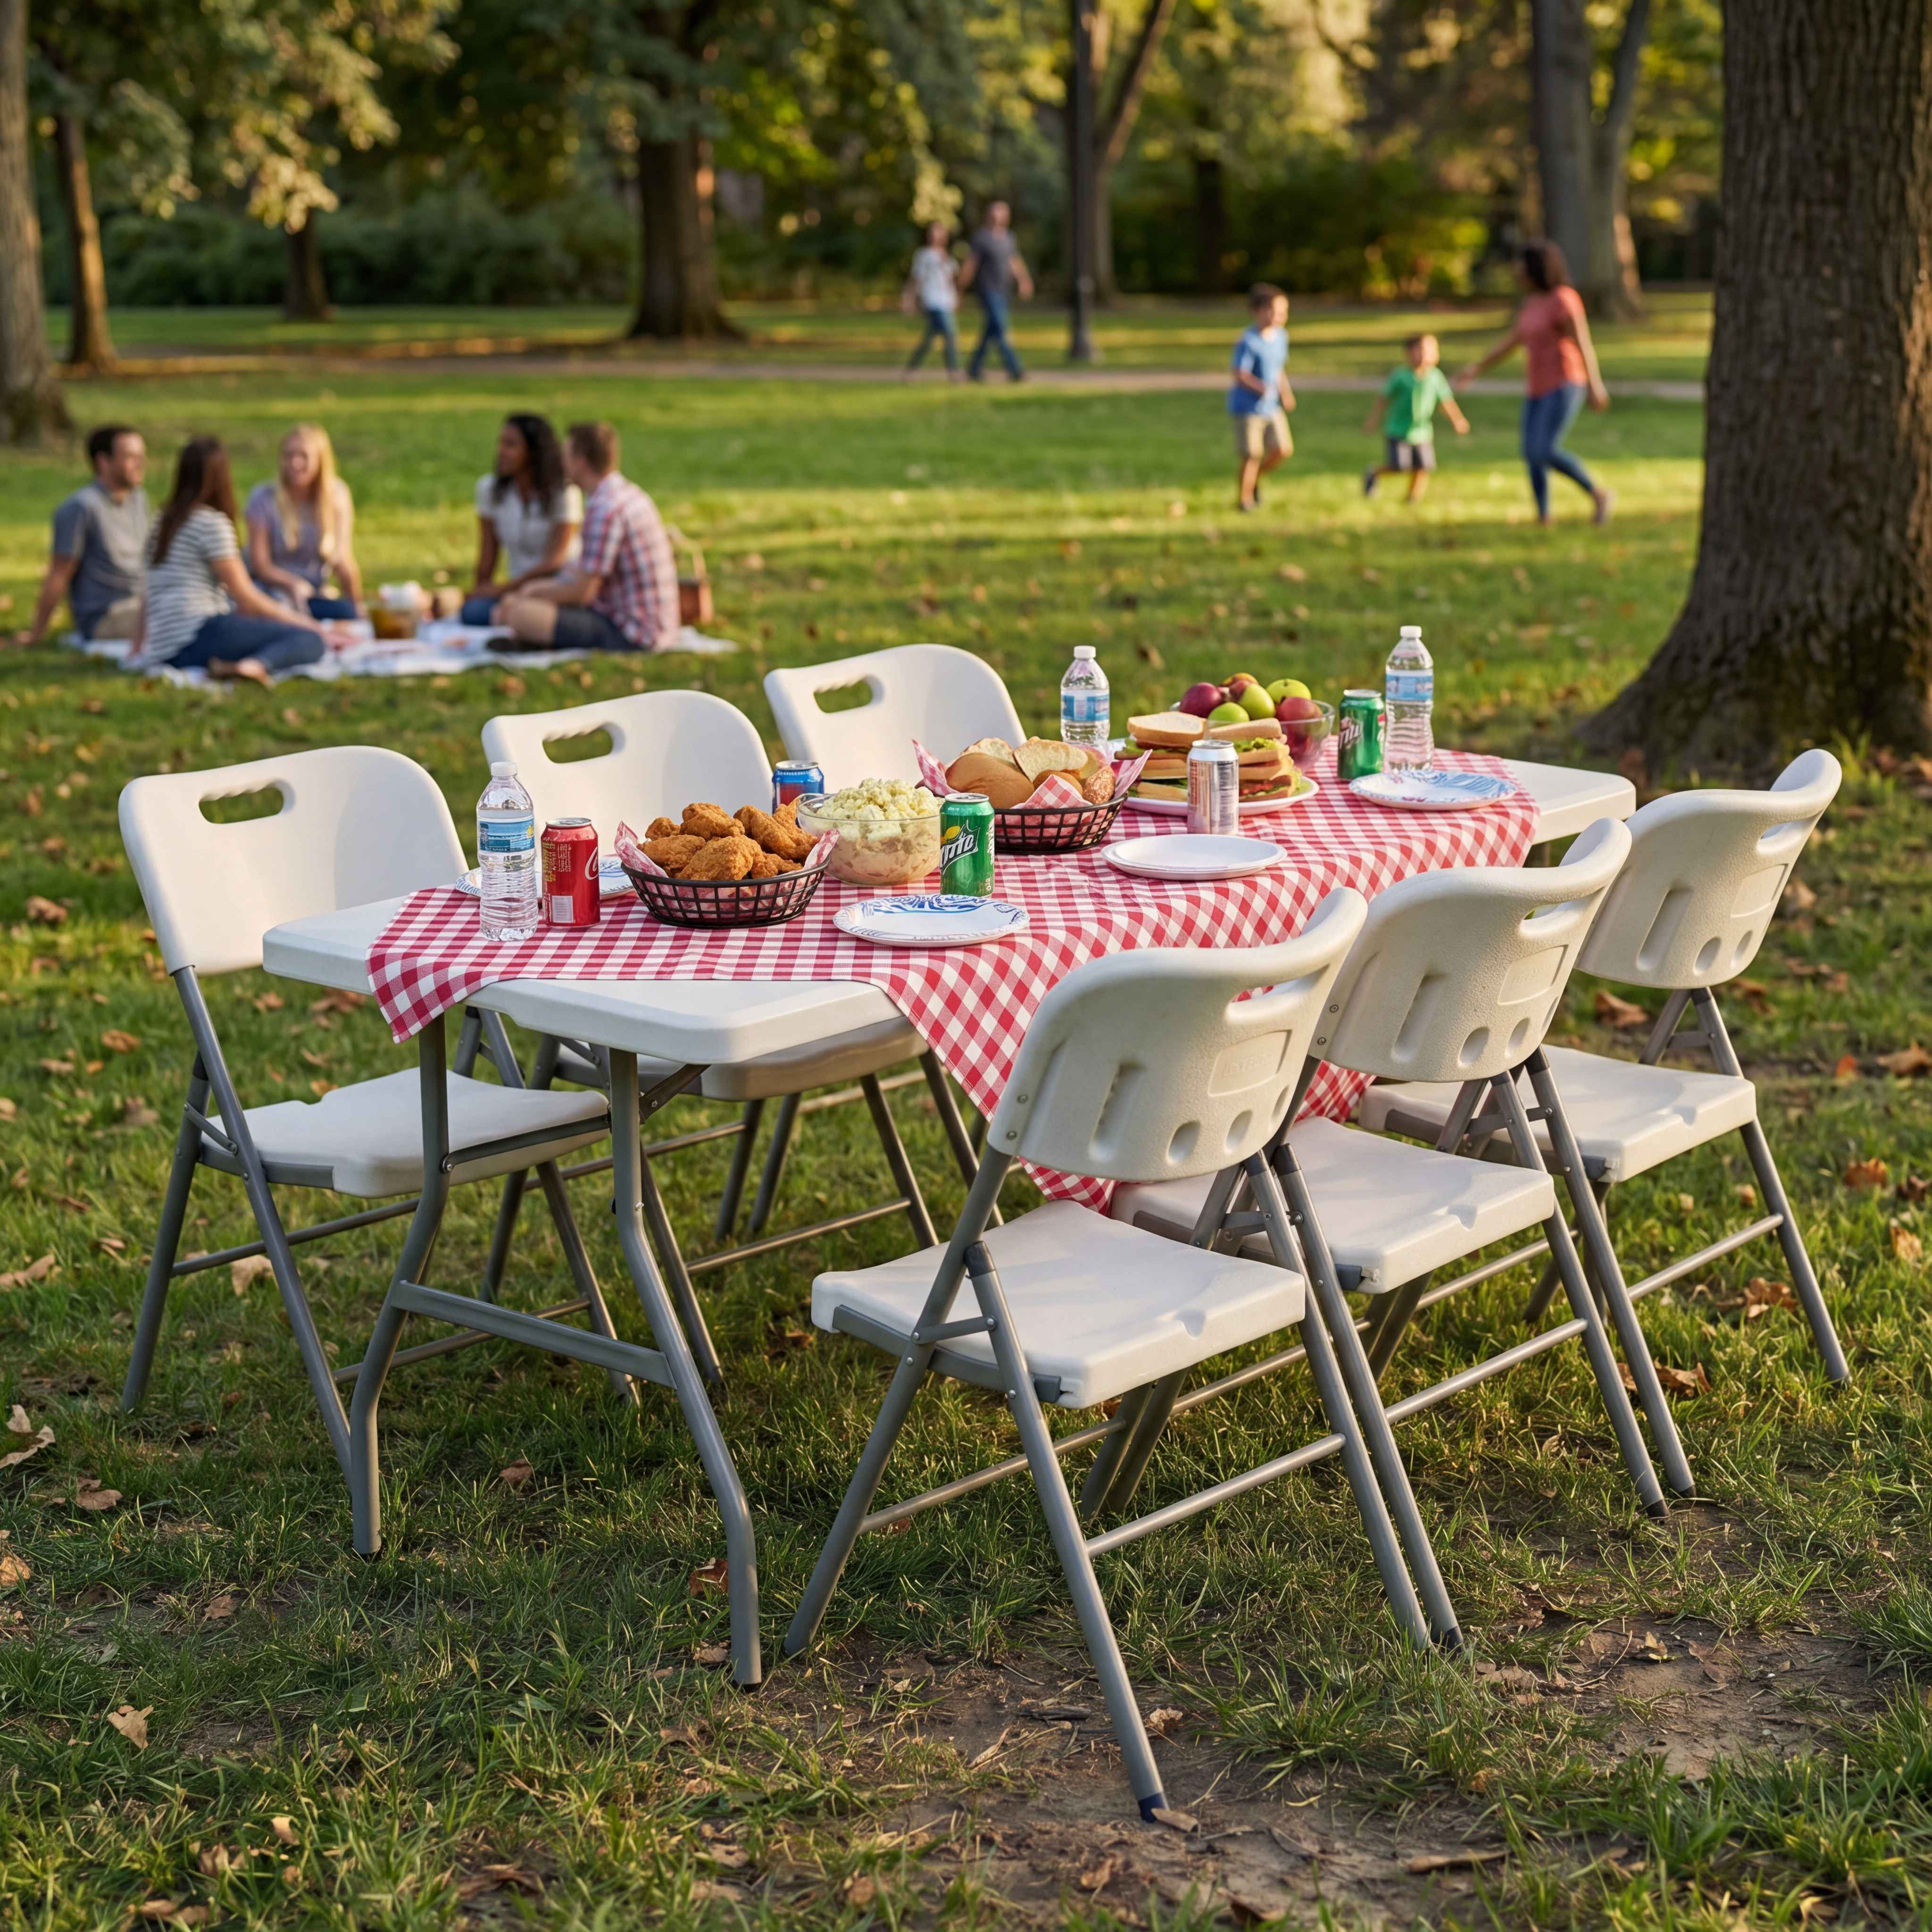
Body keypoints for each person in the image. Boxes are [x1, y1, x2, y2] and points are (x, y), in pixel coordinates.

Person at [130, 436, 342, 685]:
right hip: (197, 635)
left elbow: (149, 591)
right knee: (309, 641)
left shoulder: (162, 520)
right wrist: (312, 627)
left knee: (267, 629)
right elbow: (247, 598)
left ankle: (243, 663)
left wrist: (137, 647)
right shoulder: (210, 523)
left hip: (166, 650)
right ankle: (253, 667)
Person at [1455, 240, 1614, 525]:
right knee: (1530, 453)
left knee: (1543, 450)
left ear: (1536, 267)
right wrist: (1477, 369)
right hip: (1537, 386)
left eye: (1520, 263)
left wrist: (1595, 385)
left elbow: (1583, 344)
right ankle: (1543, 516)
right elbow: (1512, 342)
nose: (1516, 270)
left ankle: (1598, 494)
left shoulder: (1564, 299)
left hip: (1565, 383)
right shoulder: (1532, 302)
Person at [498, 422, 680, 653]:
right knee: (516, 607)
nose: (562, 464)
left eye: (566, 456)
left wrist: (531, 593)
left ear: (581, 461)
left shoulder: (606, 509)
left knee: (519, 614)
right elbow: (584, 572)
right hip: (652, 624)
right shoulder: (623, 494)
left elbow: (583, 593)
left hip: (632, 633)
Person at [16, 425, 150, 647]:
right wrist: (36, 634)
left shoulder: (138, 500)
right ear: (103, 462)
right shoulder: (81, 507)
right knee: (181, 618)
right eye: (130, 456)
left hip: (144, 604)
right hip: (106, 616)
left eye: (141, 456)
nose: (141, 463)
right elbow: (59, 573)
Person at [461, 415, 583, 625]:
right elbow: (488, 554)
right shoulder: (490, 490)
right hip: (515, 591)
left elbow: (555, 562)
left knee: (521, 614)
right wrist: (480, 591)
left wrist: (501, 589)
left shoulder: (564, 493)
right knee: (472, 612)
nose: (501, 451)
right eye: (501, 443)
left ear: (534, 453)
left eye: (511, 445)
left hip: (558, 588)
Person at [244, 424, 365, 617]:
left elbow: (343, 559)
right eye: (289, 456)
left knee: (346, 613)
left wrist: (357, 608)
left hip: (312, 594)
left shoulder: (336, 496)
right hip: (269, 594)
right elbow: (261, 565)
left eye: (303, 456)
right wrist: (292, 583)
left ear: (320, 461)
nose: (295, 463)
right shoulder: (264, 498)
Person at [1362, 333, 1470, 503]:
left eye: (1432, 350)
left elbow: (1446, 402)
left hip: (1423, 432)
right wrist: (1373, 420)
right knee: (1399, 466)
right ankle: (1373, 473)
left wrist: (1458, 420)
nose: (1427, 354)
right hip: (1398, 430)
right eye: (1422, 350)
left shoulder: (1436, 377)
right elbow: (1384, 399)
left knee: (1423, 467)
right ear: (1409, 354)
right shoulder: (1400, 376)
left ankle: (1412, 498)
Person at [1228, 283, 1295, 513]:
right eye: (1275, 312)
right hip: (1248, 408)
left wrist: (1285, 393)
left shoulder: (1281, 337)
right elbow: (1239, 374)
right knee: (1252, 455)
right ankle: (1245, 500)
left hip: (1272, 406)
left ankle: (1254, 480)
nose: (1281, 317)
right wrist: (1261, 388)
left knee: (1283, 449)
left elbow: (1278, 368)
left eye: (1283, 312)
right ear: (1258, 311)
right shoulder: (1248, 341)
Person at [958, 200, 1033, 383]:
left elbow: (1014, 261)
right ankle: (1016, 370)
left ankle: (974, 368)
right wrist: (960, 287)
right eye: (995, 212)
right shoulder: (982, 238)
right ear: (989, 215)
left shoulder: (1009, 238)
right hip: (987, 290)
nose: (997, 216)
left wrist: (1024, 281)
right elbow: (971, 264)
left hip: (1004, 290)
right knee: (1001, 328)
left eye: (1001, 213)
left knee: (991, 330)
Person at [901, 222, 962, 382]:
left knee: (929, 340)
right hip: (932, 301)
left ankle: (912, 369)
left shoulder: (947, 256)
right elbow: (915, 280)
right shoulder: (923, 255)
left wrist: (955, 298)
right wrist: (910, 299)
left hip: (945, 302)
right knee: (950, 335)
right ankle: (953, 371)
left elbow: (951, 280)